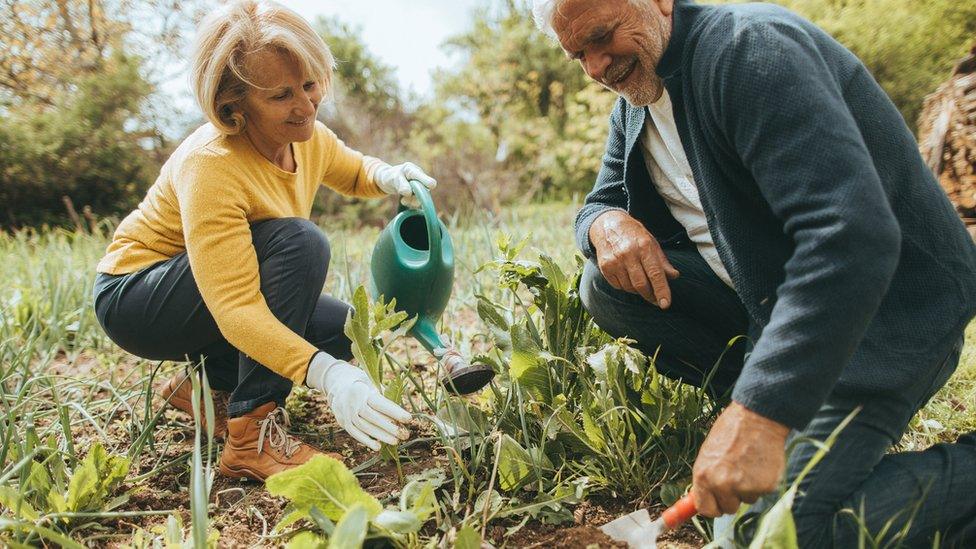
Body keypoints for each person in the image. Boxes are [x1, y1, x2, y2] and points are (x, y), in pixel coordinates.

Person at [532, 0, 976, 545]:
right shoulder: (637, 103)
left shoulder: (747, 52)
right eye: (578, 54)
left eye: (602, 37)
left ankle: (773, 421)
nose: (596, 67)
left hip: (881, 315)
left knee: (764, 533)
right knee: (604, 286)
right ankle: (764, 416)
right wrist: (605, 224)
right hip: (773, 308)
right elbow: (597, 203)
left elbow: (850, 236)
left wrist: (762, 412)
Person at [92, 0, 431, 482]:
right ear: (234, 103)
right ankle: (250, 436)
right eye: (281, 96)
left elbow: (353, 169)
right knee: (300, 243)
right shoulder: (211, 164)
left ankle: (205, 390)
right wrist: (326, 376)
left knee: (341, 330)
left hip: (200, 293)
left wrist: (389, 176)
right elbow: (235, 308)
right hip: (138, 297)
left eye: (311, 85)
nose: (306, 105)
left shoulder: (305, 135)